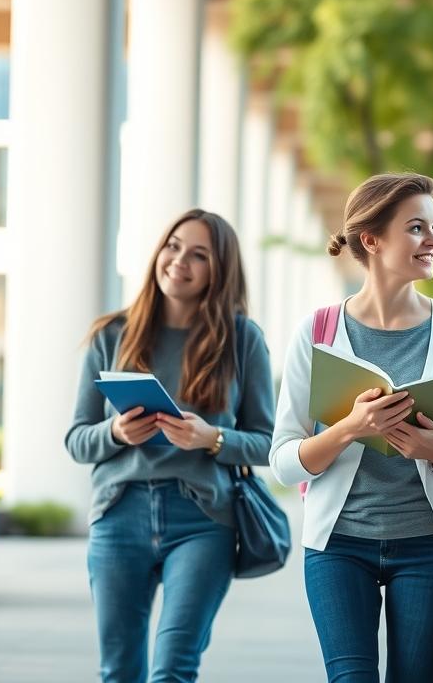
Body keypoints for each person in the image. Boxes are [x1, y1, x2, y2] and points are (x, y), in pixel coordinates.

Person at [270, 172, 433, 683]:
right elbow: (284, 462)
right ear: (372, 240)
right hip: (337, 547)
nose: (432, 240)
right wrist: (349, 428)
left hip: (431, 548)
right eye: (416, 228)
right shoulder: (318, 332)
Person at [66, 209, 275, 682]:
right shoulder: (111, 335)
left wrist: (212, 438)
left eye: (198, 255)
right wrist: (116, 432)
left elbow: (270, 444)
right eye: (173, 246)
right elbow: (77, 440)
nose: (179, 261)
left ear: (219, 271)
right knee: (119, 671)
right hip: (120, 513)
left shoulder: (242, 339)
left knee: (174, 669)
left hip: (203, 518)